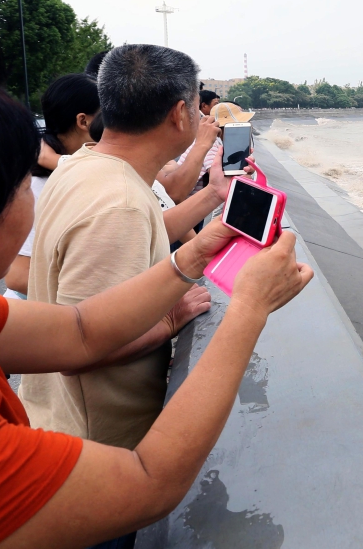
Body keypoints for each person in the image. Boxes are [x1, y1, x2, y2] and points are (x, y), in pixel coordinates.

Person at [0, 81, 311, 547]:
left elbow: (79, 330)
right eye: (22, 184)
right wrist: (250, 307)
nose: (33, 199)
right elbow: (149, 483)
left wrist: (193, 255)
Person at [17, 44, 223, 452]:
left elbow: (140, 234)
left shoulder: (82, 163)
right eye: (198, 109)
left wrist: (214, 194)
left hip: (54, 418)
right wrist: (170, 318)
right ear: (180, 113)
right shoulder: (120, 202)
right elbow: (78, 347)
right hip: (97, 445)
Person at [3, 74, 98, 299]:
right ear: (83, 121)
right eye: (107, 116)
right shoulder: (37, 183)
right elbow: (17, 276)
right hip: (40, 320)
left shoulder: (81, 167)